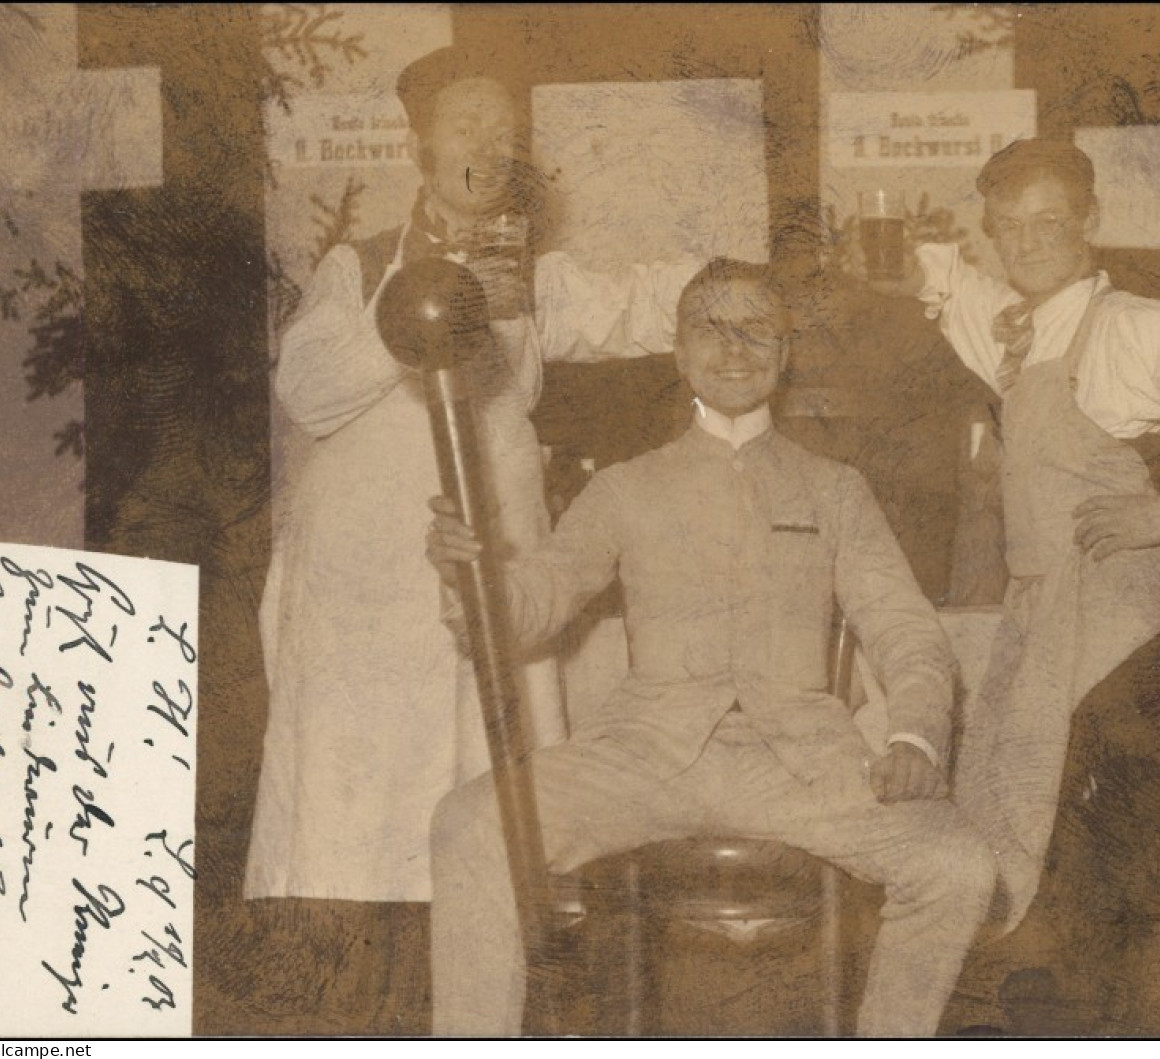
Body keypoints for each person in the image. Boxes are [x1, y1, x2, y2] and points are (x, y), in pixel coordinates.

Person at [426, 259, 996, 1037]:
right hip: (643, 758)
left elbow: (905, 628)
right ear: (679, 353)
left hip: (801, 766)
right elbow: (532, 606)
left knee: (958, 864)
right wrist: (474, 577)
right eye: (710, 327)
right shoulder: (624, 488)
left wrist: (912, 733)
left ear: (785, 350)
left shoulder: (834, 489)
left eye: (756, 327)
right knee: (469, 823)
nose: (734, 347)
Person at [248, 47, 700, 904]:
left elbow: (635, 304)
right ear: (419, 143)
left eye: (505, 130)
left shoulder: (528, 274)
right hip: (371, 563)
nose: (491, 145)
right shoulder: (361, 263)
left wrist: (738, 279)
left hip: (491, 534)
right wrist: (422, 300)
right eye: (468, 125)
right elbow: (305, 391)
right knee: (360, 791)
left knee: (490, 771)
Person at [897, 138, 1160, 1027]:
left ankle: (1137, 1022)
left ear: (1090, 224)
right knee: (1025, 804)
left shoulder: (1126, 326)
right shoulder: (1018, 326)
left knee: (1126, 848)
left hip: (1134, 627)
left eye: (1048, 224)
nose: (1026, 244)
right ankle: (1051, 1007)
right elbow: (953, 290)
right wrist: (921, 254)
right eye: (1007, 228)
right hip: (1053, 612)